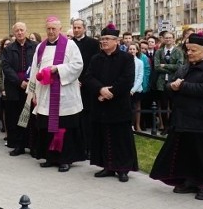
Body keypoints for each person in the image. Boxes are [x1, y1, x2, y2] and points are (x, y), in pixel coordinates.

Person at [150, 32, 203, 200]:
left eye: (193, 50)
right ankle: (189, 180)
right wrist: (172, 87)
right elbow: (170, 85)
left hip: (201, 118)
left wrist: (182, 86)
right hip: (182, 117)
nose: (189, 53)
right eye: (188, 50)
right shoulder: (184, 67)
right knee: (186, 152)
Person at [26, 16, 85, 172]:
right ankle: (50, 157)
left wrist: (58, 69)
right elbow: (34, 70)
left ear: (60, 29)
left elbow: (78, 65)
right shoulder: (40, 47)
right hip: (45, 94)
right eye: (48, 29)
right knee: (47, 127)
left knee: (65, 128)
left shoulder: (70, 45)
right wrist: (33, 93)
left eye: (54, 28)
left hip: (65, 94)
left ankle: (66, 159)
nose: (51, 31)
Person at [86, 23, 138, 182]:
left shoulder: (126, 58)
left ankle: (122, 168)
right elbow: (88, 77)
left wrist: (110, 93)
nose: (103, 42)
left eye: (107, 39)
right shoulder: (96, 58)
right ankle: (107, 166)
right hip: (100, 105)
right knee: (103, 136)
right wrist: (100, 90)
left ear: (116, 41)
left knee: (120, 138)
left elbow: (127, 80)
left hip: (119, 105)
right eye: (102, 39)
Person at [2, 22, 37, 156]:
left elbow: (38, 64)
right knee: (16, 118)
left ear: (26, 31)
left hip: (31, 86)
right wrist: (19, 81)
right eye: (17, 31)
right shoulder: (8, 49)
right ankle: (19, 145)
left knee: (31, 117)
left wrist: (29, 81)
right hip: (14, 88)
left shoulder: (35, 47)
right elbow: (6, 67)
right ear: (14, 33)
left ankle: (33, 145)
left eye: (22, 30)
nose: (20, 33)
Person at [71, 19, 100, 156]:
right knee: (74, 117)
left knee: (87, 117)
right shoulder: (68, 44)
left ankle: (88, 147)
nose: (76, 30)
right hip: (71, 84)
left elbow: (93, 65)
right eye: (74, 27)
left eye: (79, 27)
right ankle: (77, 146)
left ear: (84, 28)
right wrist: (74, 79)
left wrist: (83, 80)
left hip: (87, 86)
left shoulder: (93, 44)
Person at [152, 31, 184, 134]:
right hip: (161, 82)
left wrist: (165, 66)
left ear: (173, 39)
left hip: (174, 81)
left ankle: (173, 126)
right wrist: (170, 68)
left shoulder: (178, 51)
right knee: (164, 106)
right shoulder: (159, 52)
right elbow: (156, 67)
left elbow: (179, 66)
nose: (168, 40)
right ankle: (165, 126)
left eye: (170, 38)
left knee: (174, 105)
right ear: (163, 39)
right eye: (166, 38)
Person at [128, 43, 148, 131]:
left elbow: (140, 76)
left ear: (137, 50)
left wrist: (133, 89)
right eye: (130, 49)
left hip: (136, 89)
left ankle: (133, 125)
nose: (132, 51)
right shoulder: (125, 61)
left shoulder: (140, 62)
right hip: (126, 88)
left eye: (133, 49)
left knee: (135, 107)